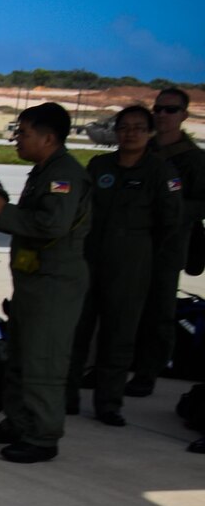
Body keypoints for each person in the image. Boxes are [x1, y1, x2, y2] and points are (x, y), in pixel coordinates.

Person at [0, 102, 91, 463]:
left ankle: (42, 435)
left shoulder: (64, 175)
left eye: (23, 133)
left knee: (44, 360)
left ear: (48, 137)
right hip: (34, 281)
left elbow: (51, 224)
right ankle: (19, 421)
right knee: (21, 356)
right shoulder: (45, 171)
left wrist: (3, 211)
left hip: (55, 284)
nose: (17, 139)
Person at [68, 105, 184, 425]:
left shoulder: (161, 172)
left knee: (119, 335)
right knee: (78, 330)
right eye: (124, 127)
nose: (130, 133)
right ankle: (67, 395)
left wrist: (143, 253)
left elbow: (169, 223)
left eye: (138, 127)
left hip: (131, 264)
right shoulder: (99, 165)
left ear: (150, 133)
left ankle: (109, 402)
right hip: (90, 261)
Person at [129, 88, 205, 396]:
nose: (162, 114)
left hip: (168, 244)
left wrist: (165, 207)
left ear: (184, 116)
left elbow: (201, 204)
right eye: (158, 109)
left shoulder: (193, 160)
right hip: (132, 243)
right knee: (124, 307)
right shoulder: (141, 152)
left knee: (158, 310)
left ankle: (148, 371)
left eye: (170, 110)